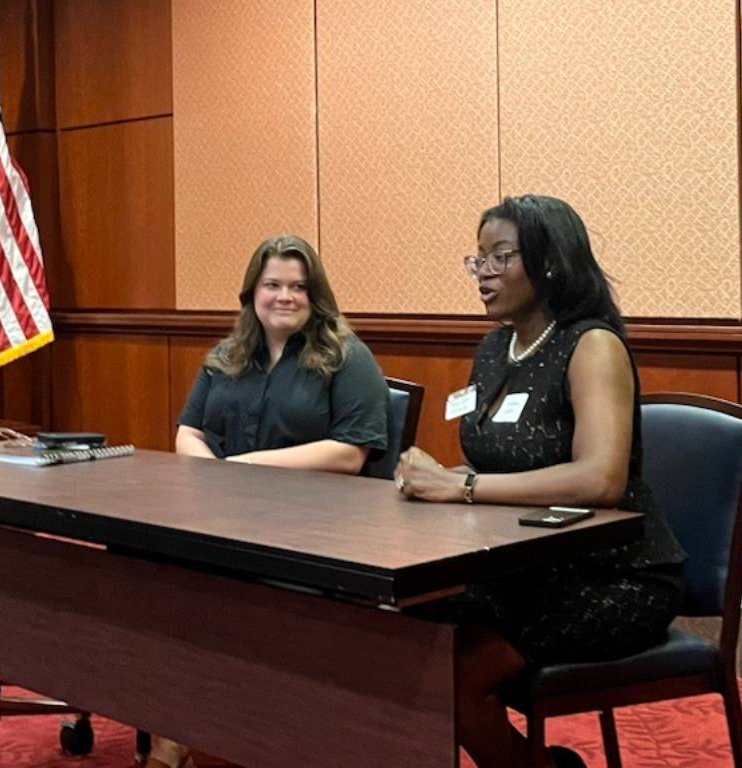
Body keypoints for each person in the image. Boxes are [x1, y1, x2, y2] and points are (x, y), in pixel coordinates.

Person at [394, 195, 686, 768]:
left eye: (500, 257)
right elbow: (503, 464)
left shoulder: (591, 344)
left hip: (610, 574)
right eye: (477, 259)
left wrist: (464, 488)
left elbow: (600, 478)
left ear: (550, 262)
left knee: (450, 671)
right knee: (400, 634)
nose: (483, 273)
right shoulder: (494, 348)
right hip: (521, 564)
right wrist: (442, 476)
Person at [149, 234, 389, 768]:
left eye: (299, 287)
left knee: (219, 601)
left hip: (315, 533)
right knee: (144, 573)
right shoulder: (228, 356)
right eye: (273, 284)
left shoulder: (347, 357)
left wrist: (245, 468)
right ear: (252, 293)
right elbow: (188, 432)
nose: (286, 296)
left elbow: (350, 453)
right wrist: (214, 476)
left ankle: (193, 739)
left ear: (316, 295)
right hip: (227, 521)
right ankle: (180, 724)